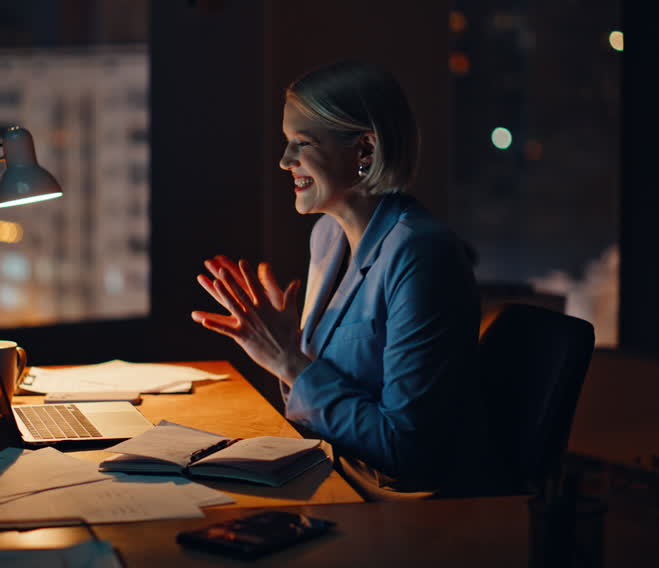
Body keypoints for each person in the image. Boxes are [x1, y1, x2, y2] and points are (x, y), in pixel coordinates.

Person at [191, 59, 492, 498]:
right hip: (339, 474)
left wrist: (289, 360)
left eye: (301, 143)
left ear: (365, 151)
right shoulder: (328, 235)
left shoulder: (422, 254)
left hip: (404, 506)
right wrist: (285, 350)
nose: (284, 161)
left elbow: (408, 448)